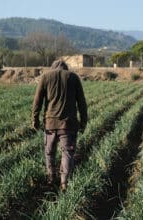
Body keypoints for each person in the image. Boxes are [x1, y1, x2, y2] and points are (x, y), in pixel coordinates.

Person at [32, 60, 87, 192]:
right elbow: (82, 102)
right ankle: (64, 183)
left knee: (49, 152)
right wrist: (83, 121)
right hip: (68, 124)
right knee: (67, 152)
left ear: (53, 67)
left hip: (50, 123)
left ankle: (51, 178)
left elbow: (37, 101)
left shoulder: (45, 77)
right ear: (65, 68)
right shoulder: (73, 77)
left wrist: (35, 119)